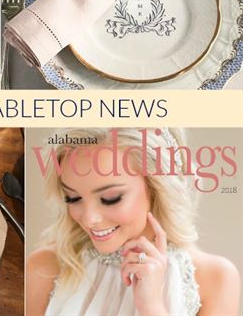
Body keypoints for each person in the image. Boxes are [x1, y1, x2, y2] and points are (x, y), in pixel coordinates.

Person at [26, 128, 241, 316]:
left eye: (110, 198)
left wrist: (152, 307)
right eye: (73, 198)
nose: (90, 219)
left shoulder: (216, 279)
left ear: (156, 188)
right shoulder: (44, 267)